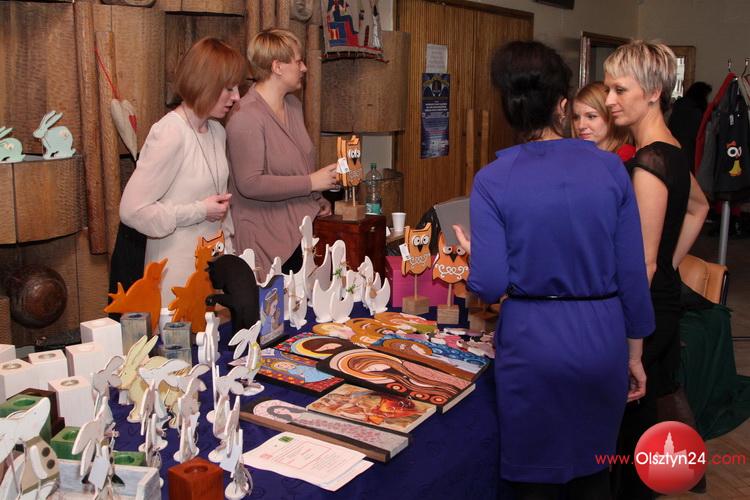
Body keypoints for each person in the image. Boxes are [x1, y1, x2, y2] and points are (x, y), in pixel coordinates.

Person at [454, 41, 655, 500]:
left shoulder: (492, 179)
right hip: (602, 338)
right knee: (594, 475)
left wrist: (476, 255)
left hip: (533, 343)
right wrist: (634, 354)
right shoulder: (610, 168)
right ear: (563, 106)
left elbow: (489, 283)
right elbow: (632, 273)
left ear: (509, 107)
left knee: (534, 483)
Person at [603, 41, 710, 498]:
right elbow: (699, 208)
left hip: (646, 312)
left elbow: (641, 264)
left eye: (620, 90)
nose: (610, 100)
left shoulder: (649, 163)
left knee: (629, 440)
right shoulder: (670, 149)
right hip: (661, 302)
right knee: (641, 433)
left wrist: (631, 349)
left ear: (652, 92)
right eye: (608, 89)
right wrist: (671, 262)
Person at [119, 37, 246, 305]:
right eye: (229, 88)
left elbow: (220, 206)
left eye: (237, 88)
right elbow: (131, 211)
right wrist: (199, 211)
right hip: (174, 275)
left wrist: (230, 256)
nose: (236, 97)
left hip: (211, 270)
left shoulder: (217, 131)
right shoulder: (170, 132)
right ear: (205, 83)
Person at [226, 29, 338, 275]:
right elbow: (250, 184)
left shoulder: (293, 105)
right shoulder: (246, 116)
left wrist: (316, 198)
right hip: (264, 240)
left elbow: (297, 166)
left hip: (298, 233)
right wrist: (311, 183)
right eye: (298, 61)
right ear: (277, 67)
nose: (304, 68)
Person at [572, 81, 636, 161]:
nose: (581, 126)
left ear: (611, 116)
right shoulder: (573, 156)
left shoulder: (627, 158)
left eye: (591, 116)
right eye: (576, 117)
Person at [668, 81, 712, 169]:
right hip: (689, 153)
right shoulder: (696, 112)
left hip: (673, 148)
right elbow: (698, 135)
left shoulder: (679, 105)